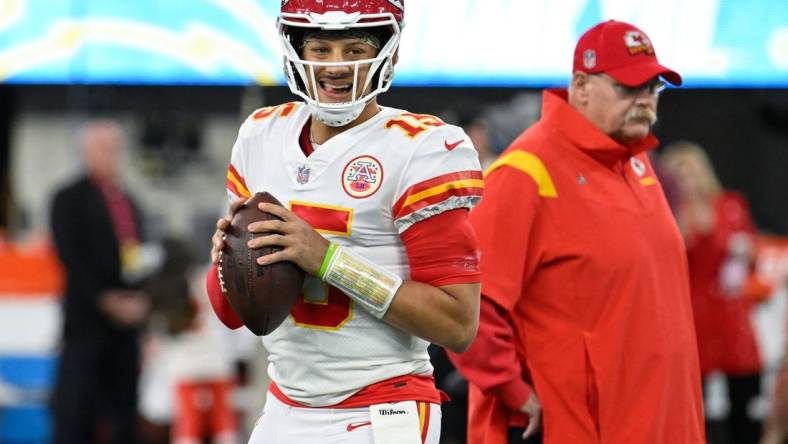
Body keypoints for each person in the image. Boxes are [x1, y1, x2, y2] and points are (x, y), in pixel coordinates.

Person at [205, 1, 483, 443]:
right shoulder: (261, 136)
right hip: (286, 405)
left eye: (354, 50)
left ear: (386, 53)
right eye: (321, 48)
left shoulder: (422, 148)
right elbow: (233, 315)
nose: (337, 67)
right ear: (298, 50)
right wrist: (227, 264)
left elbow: (457, 326)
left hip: (384, 406)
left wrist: (329, 260)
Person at [448, 20, 706, 444]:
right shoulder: (526, 171)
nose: (645, 100)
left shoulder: (636, 162)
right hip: (578, 427)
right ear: (581, 85)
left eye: (653, 88)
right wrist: (512, 390)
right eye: (629, 87)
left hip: (661, 419)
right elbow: (463, 303)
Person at [50, 119, 149, 444]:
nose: (110, 155)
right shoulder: (68, 199)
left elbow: (139, 256)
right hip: (86, 326)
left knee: (124, 419)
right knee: (77, 417)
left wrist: (140, 301)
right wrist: (107, 300)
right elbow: (71, 258)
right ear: (86, 152)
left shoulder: (128, 201)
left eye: (114, 148)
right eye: (102, 148)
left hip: (126, 331)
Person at [661, 141, 766, 444]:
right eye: (678, 174)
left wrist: (745, 252)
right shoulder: (665, 214)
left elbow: (749, 253)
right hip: (690, 316)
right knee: (693, 401)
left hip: (730, 315)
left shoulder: (730, 205)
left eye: (691, 171)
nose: (687, 180)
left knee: (744, 396)